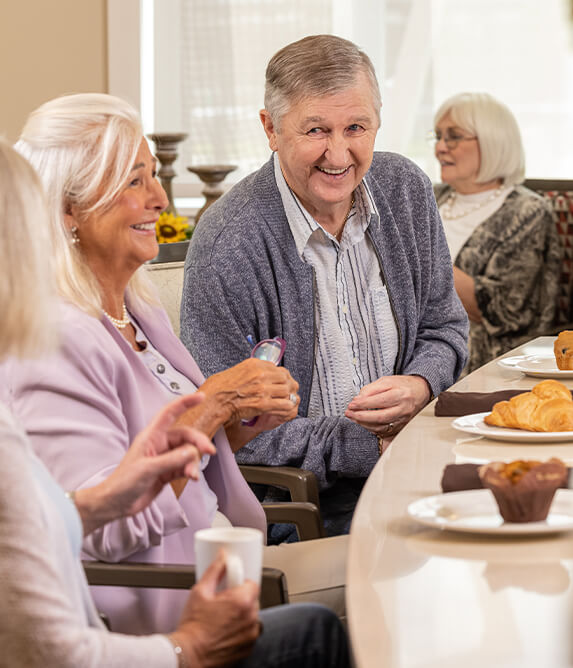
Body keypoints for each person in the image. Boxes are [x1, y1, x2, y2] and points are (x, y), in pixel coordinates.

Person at [0, 92, 351, 635]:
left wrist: (235, 423)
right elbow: (97, 534)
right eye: (133, 181)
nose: (160, 199)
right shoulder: (55, 338)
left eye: (153, 178)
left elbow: (184, 462)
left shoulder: (137, 311)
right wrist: (211, 407)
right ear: (68, 208)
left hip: (220, 558)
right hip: (162, 604)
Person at [180, 34, 469, 542]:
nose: (339, 154)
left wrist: (421, 383)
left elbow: (445, 326)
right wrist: (364, 447)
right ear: (270, 128)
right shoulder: (229, 241)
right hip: (312, 509)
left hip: (425, 470)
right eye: (316, 130)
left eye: (356, 127)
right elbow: (226, 427)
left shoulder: (406, 190)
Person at [432, 92, 561, 373]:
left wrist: (422, 253)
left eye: (453, 136)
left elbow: (503, 310)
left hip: (483, 364)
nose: (440, 147)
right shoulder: (428, 197)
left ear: (492, 141)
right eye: (438, 136)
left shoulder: (527, 212)